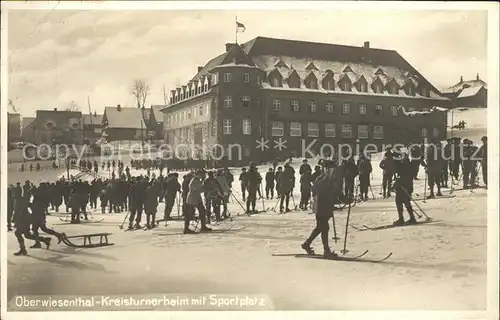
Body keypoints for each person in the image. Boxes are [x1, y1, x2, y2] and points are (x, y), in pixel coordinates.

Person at [301, 160, 342, 258]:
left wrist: (344, 198)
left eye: (332, 169)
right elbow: (316, 190)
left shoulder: (330, 179)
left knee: (321, 227)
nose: (331, 171)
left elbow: (335, 192)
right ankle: (325, 250)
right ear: (325, 169)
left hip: (326, 207)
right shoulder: (322, 179)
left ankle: (308, 244)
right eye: (329, 169)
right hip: (321, 207)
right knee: (323, 227)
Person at [393, 152, 417, 225]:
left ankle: (401, 219)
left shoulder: (404, 165)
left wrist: (396, 185)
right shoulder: (408, 165)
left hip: (403, 187)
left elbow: (402, 177)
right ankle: (412, 218)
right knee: (406, 202)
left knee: (399, 201)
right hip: (407, 186)